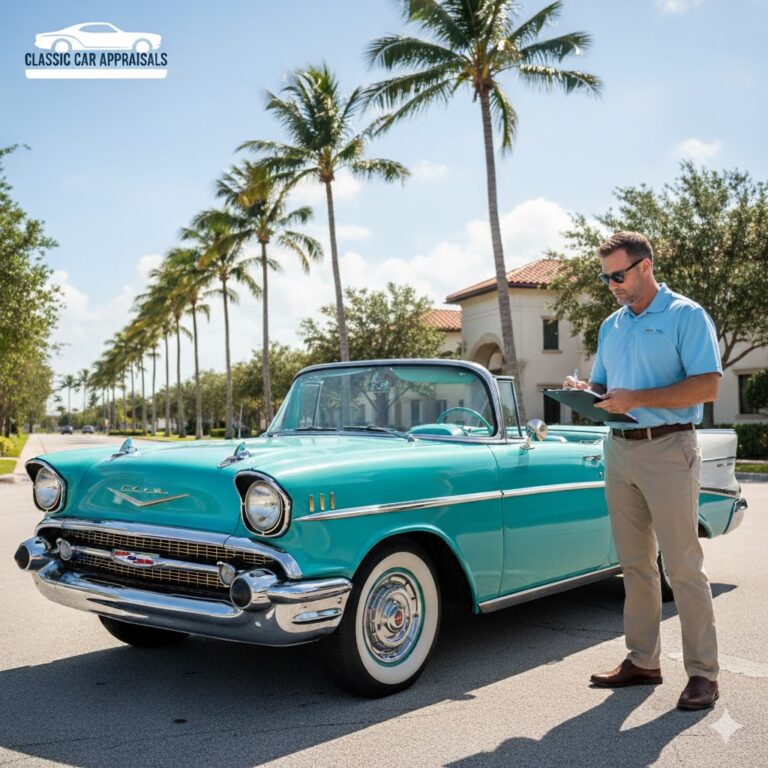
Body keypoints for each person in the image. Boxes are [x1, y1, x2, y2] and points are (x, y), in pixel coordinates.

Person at [563, 231, 722, 711]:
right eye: (605, 276)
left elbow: (708, 385)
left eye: (618, 274)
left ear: (645, 266)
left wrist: (639, 398)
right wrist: (585, 389)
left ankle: (703, 674)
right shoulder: (611, 326)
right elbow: (607, 386)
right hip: (619, 451)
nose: (611, 284)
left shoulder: (686, 316)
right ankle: (643, 661)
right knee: (634, 565)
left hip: (670, 448)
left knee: (682, 567)